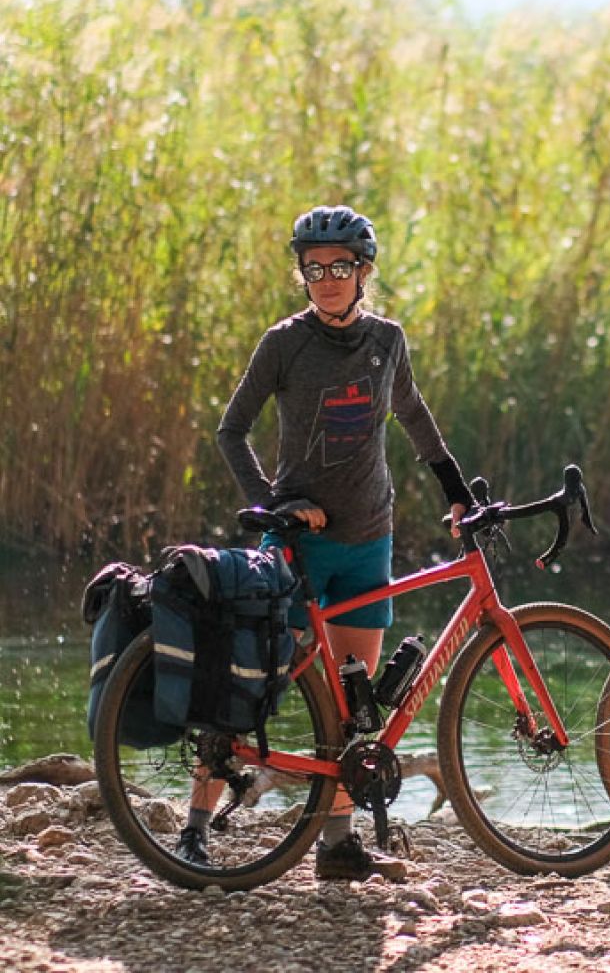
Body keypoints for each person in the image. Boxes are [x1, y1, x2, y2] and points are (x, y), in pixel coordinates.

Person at [176, 204, 473, 880]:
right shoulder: (284, 343)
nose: (328, 279)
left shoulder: (387, 340)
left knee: (353, 707)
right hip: (298, 548)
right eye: (314, 269)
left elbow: (415, 416)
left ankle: (336, 845)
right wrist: (275, 505)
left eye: (341, 266)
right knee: (247, 684)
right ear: (302, 275)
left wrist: (455, 488)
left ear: (364, 271)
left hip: (369, 541)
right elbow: (231, 430)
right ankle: (193, 828)